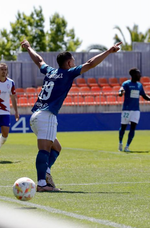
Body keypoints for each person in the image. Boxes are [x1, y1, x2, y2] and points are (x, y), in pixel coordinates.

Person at [21, 39, 122, 192]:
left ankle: (46, 172)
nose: (74, 63)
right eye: (73, 61)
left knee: (56, 147)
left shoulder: (50, 71)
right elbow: (90, 63)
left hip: (36, 115)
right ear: (68, 63)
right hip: (47, 115)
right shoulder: (68, 73)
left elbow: (39, 60)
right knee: (44, 150)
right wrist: (108, 51)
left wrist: (28, 47)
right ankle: (42, 184)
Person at [118, 68, 150, 152]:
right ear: (133, 75)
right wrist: (121, 92)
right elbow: (121, 90)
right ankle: (120, 142)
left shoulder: (139, 85)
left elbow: (144, 96)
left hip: (136, 110)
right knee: (123, 127)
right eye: (138, 74)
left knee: (133, 128)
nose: (140, 75)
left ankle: (127, 146)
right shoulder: (126, 84)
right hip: (126, 110)